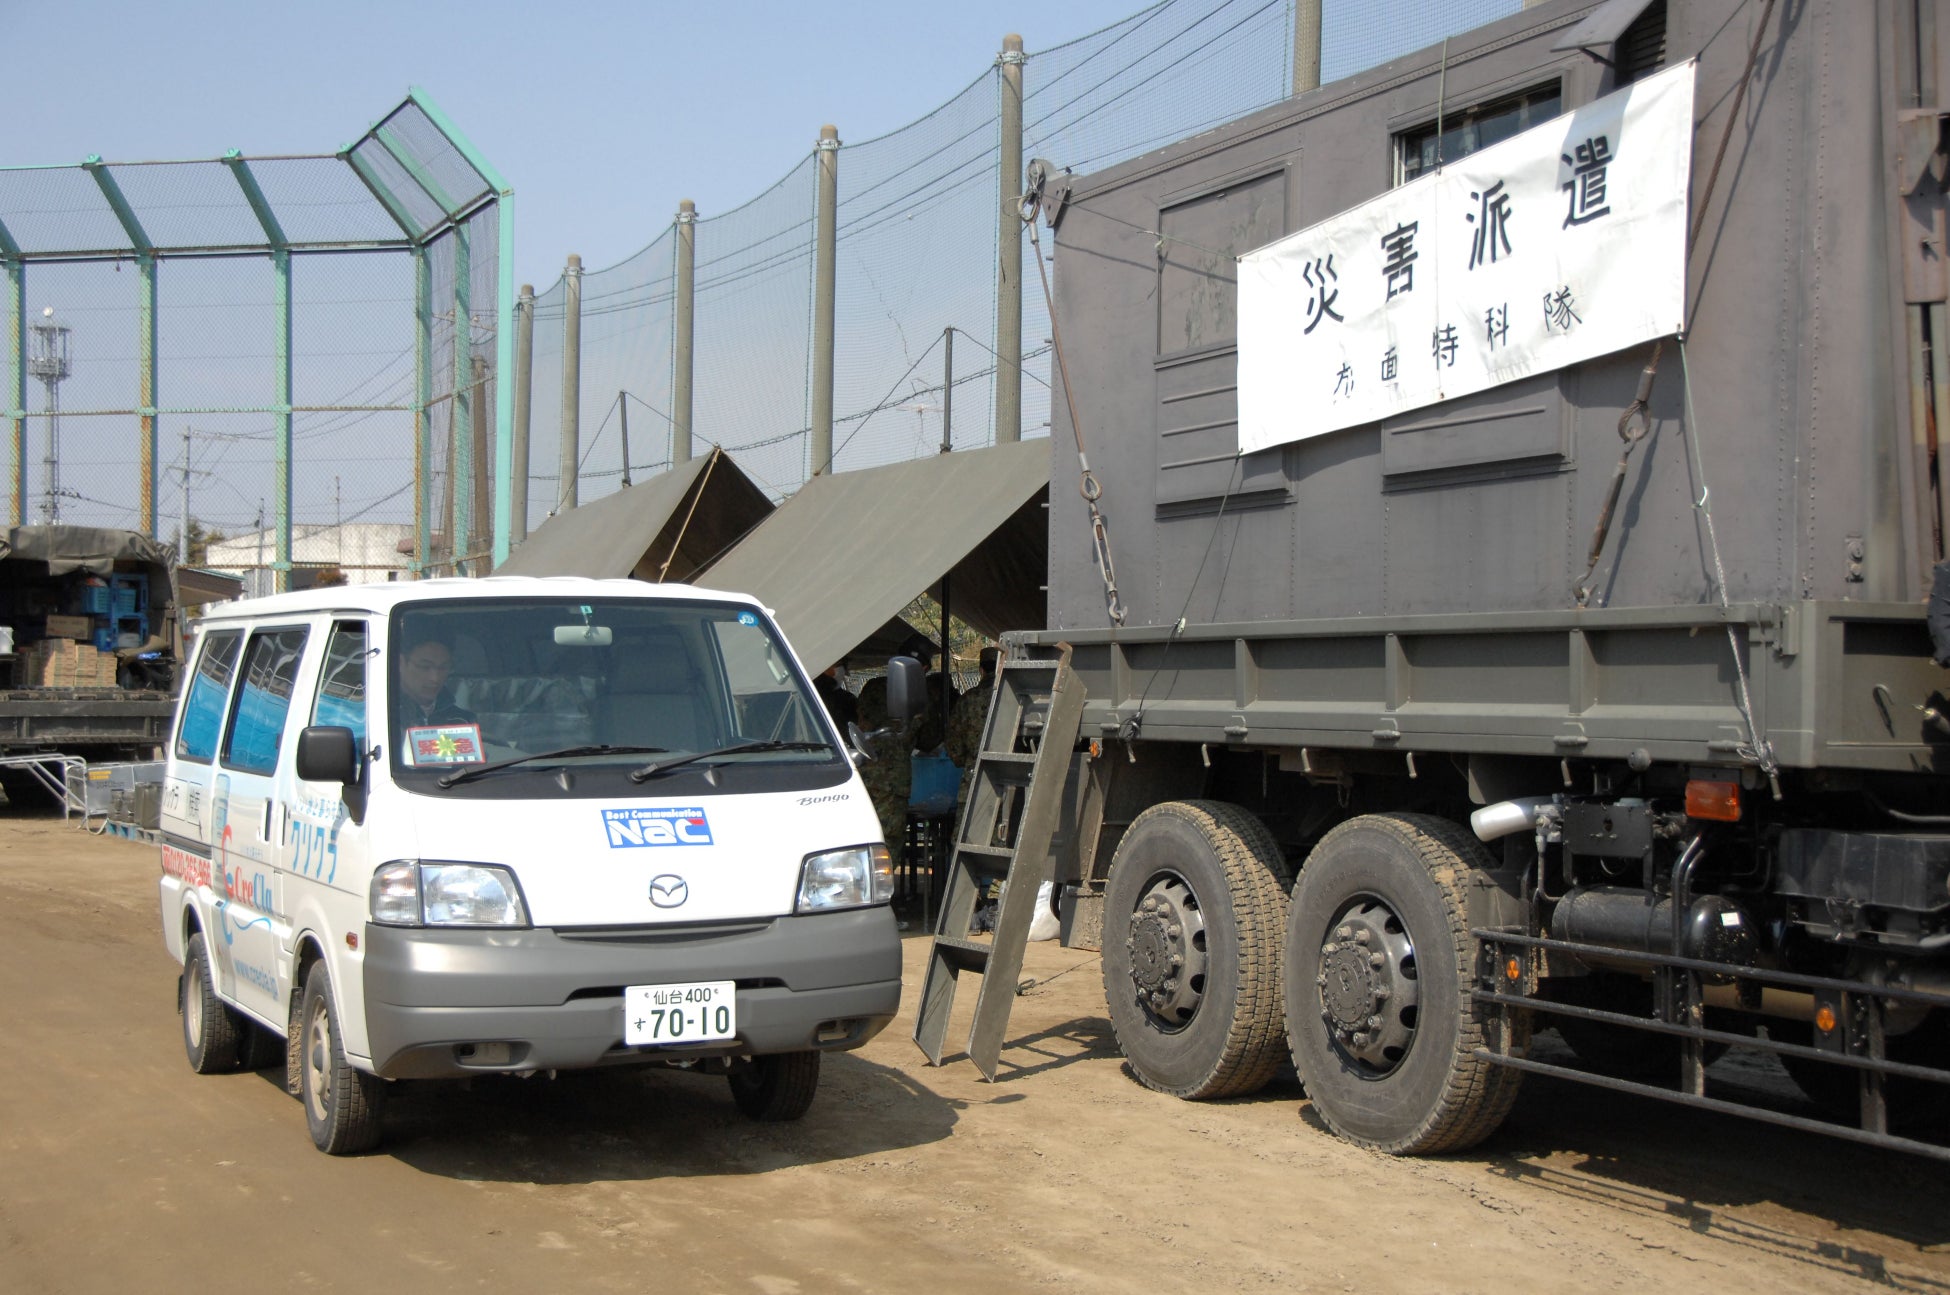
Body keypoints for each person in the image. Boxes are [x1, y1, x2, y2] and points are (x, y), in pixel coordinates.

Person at [948, 645, 999, 805]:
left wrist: (968, 760)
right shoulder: (1014, 698)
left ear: (981, 670)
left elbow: (953, 745)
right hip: (1007, 781)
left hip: (973, 777)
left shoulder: (967, 700)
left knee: (967, 828)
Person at [396, 636, 475, 730]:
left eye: (443, 668)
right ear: (401, 663)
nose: (435, 678)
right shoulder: (384, 713)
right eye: (425, 667)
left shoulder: (462, 720)